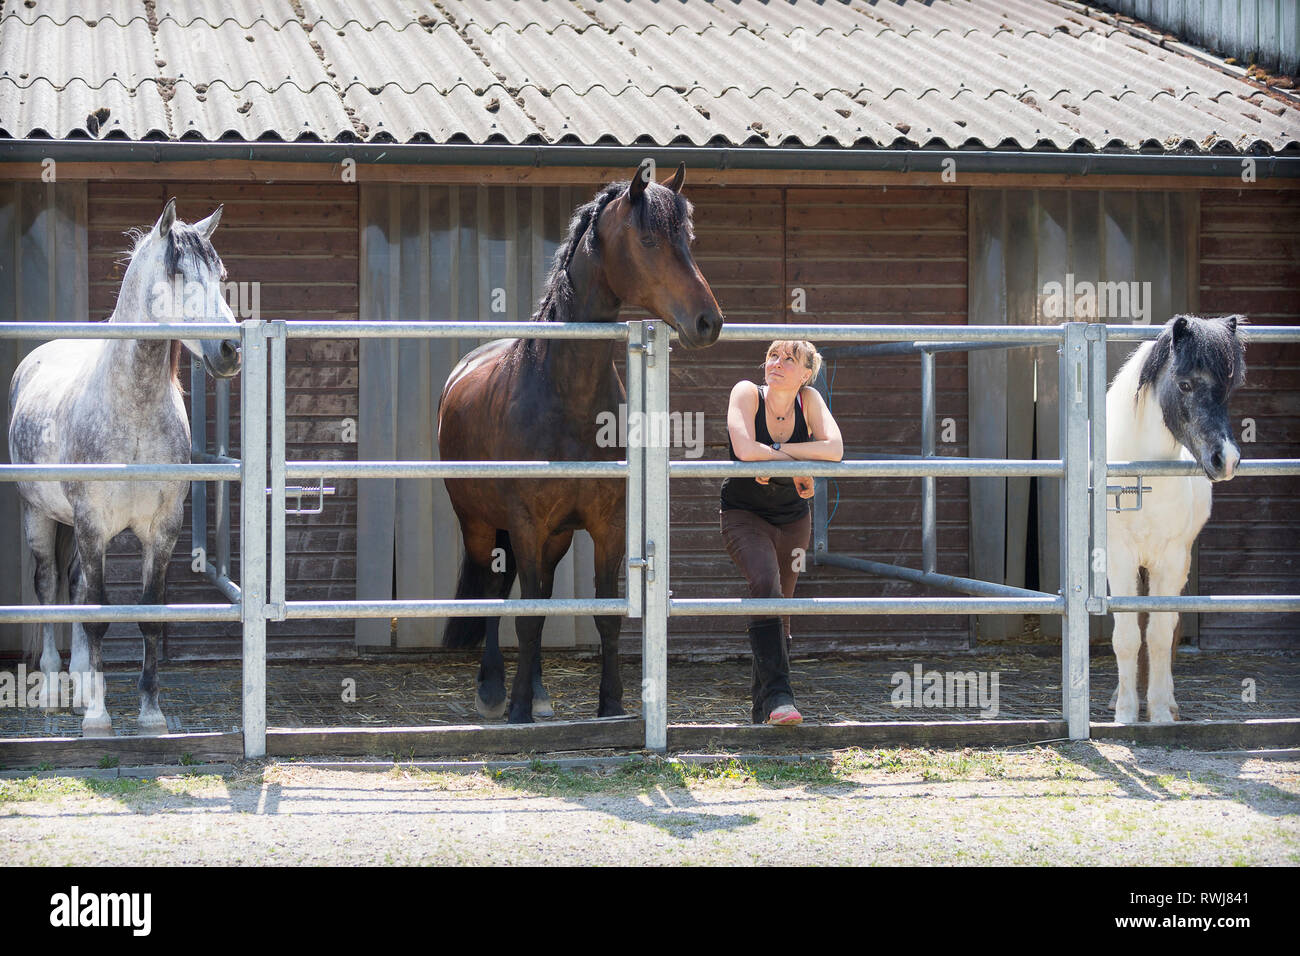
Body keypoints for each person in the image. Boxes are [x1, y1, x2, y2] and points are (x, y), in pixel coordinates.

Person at [720, 340, 843, 725]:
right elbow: (743, 448)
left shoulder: (810, 400)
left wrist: (772, 456)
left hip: (792, 518)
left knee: (781, 610)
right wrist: (797, 464)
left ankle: (765, 712)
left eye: (790, 359)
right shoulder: (746, 393)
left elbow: (835, 448)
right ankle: (780, 696)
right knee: (764, 582)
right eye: (773, 355)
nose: (778, 363)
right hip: (743, 513)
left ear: (806, 373)